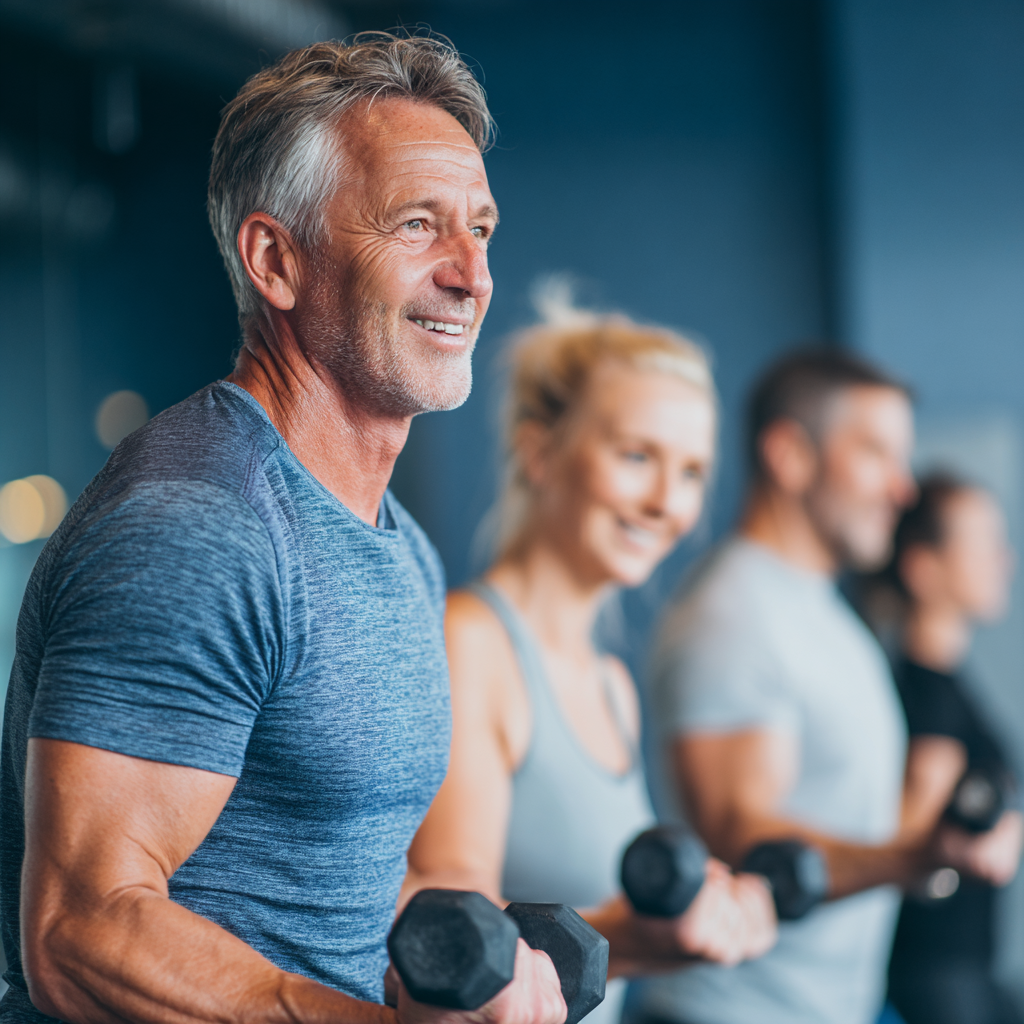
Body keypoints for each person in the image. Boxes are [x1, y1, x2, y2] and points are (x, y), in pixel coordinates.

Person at [0, 34, 566, 1024]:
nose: (471, 274)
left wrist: (474, 974)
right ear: (275, 259)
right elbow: (80, 933)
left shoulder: (400, 546)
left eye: (479, 228)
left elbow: (333, 884)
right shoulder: (200, 528)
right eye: (417, 226)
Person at [404, 301, 778, 1024]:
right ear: (539, 452)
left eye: (693, 471)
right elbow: (456, 938)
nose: (668, 502)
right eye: (637, 456)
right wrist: (631, 939)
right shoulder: (472, 642)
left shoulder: (611, 684)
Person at [636, 350, 998, 1024]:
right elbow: (744, 835)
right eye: (875, 453)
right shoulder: (733, 612)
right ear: (791, 454)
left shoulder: (830, 614)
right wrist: (917, 856)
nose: (902, 489)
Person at [879, 474, 1024, 1024]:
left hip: (964, 967)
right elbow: (909, 842)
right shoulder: (929, 699)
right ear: (923, 568)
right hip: (934, 971)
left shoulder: (946, 685)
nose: (1004, 560)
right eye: (984, 544)